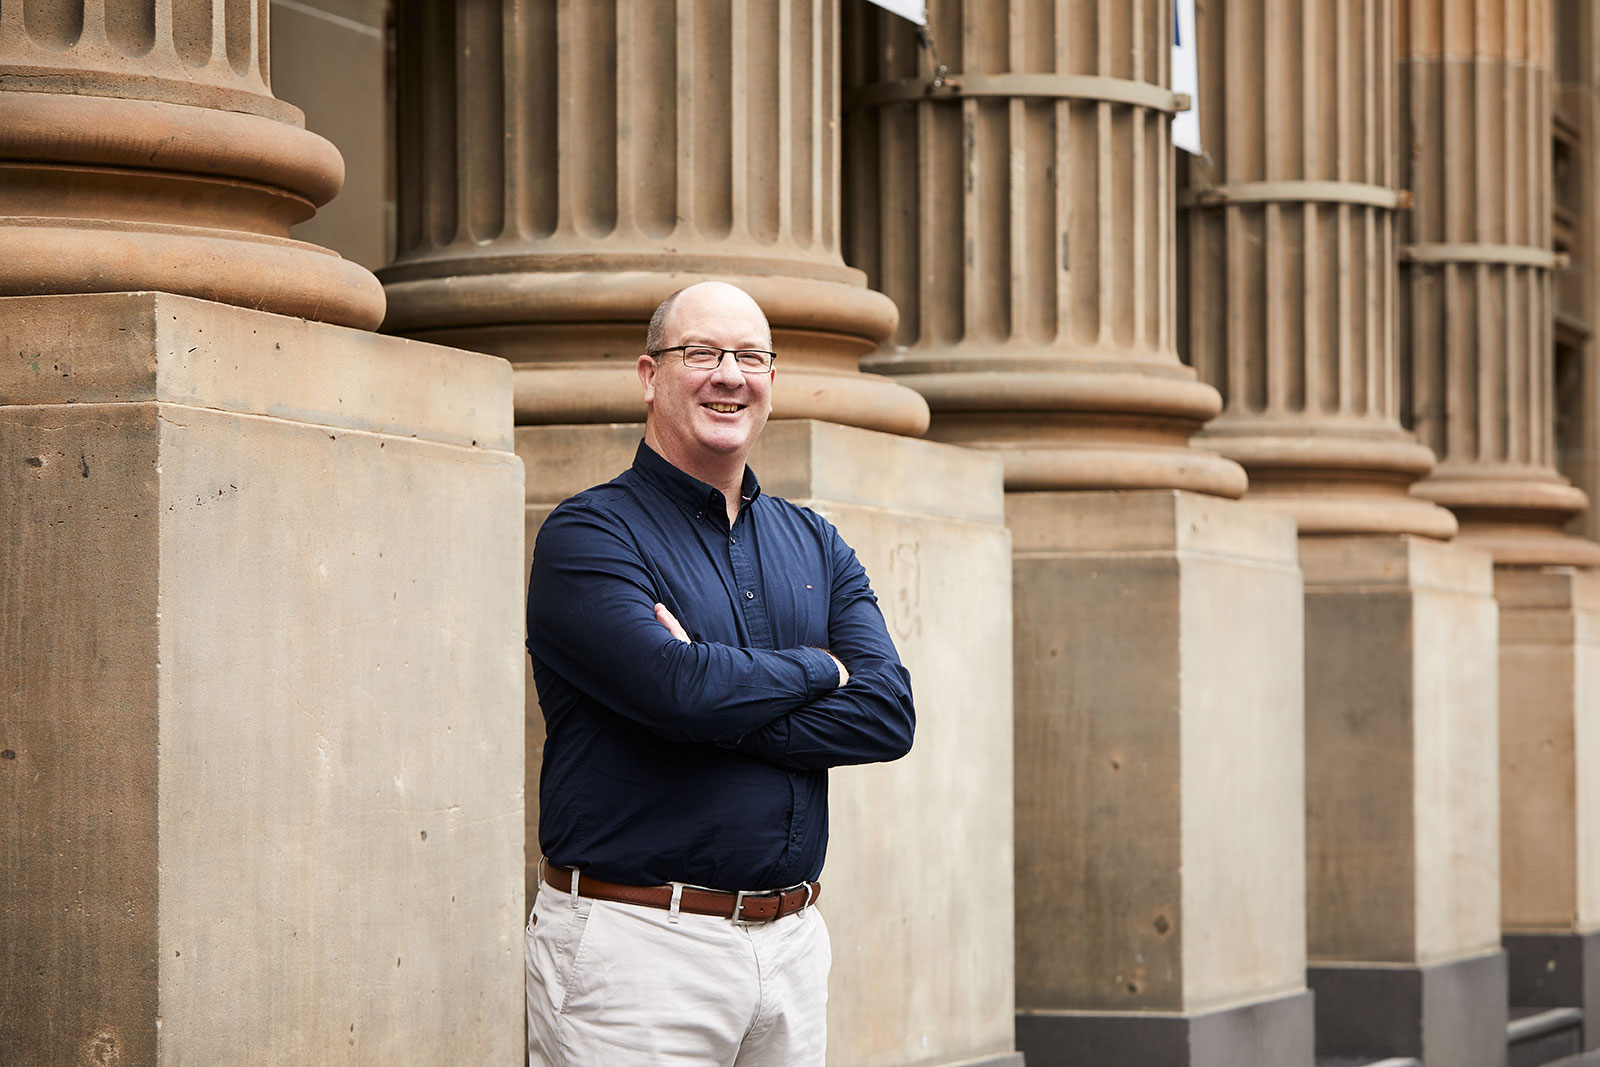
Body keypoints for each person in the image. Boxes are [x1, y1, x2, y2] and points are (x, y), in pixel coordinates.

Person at [523, 280, 916, 1066]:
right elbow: (677, 690)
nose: (729, 375)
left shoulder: (816, 543)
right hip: (638, 953)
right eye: (701, 353)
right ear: (649, 375)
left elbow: (887, 716)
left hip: (794, 946)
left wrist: (707, 694)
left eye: (750, 356)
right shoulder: (589, 535)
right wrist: (821, 666)